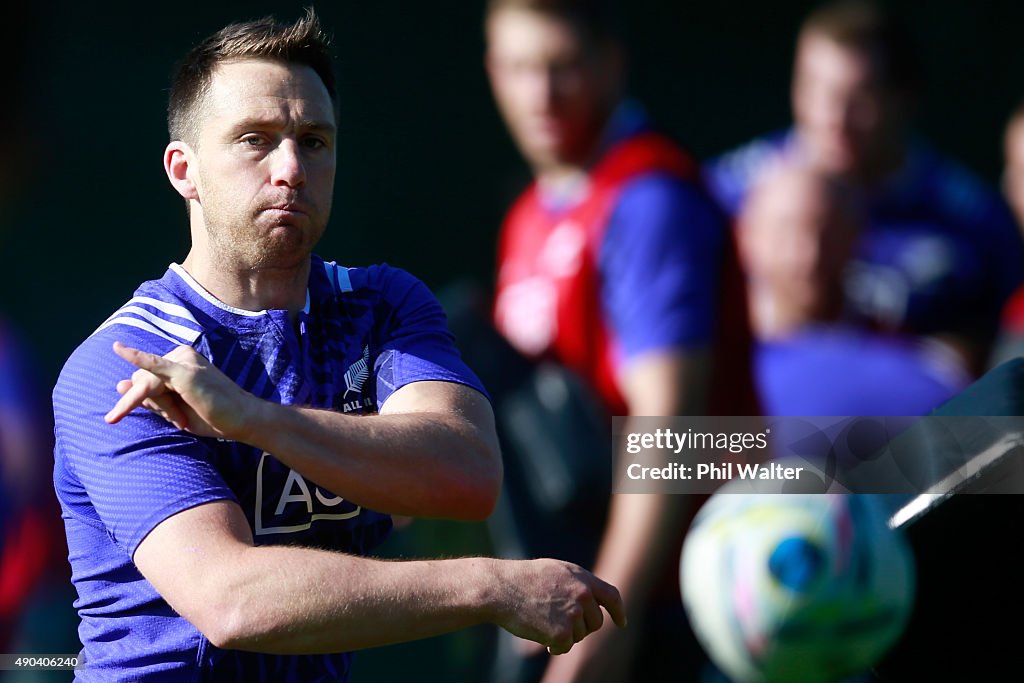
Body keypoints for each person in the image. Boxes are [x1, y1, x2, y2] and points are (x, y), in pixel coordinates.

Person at [50, 10, 625, 682]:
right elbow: (230, 600)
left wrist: (253, 419)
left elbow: (469, 472)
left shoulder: (382, 305)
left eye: (314, 141)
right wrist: (490, 587)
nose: (290, 167)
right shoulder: (124, 361)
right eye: (255, 140)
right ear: (185, 170)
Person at [482, 1, 759, 681]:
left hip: (681, 606)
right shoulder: (531, 214)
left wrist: (608, 619)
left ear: (612, 64)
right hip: (579, 592)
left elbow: (668, 429)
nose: (539, 94)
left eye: (563, 67)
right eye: (519, 68)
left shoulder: (649, 201)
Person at [704, 0, 1024, 380]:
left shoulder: (972, 222)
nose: (833, 117)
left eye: (860, 98)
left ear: (903, 98)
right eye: (817, 90)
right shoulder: (727, 194)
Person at [737, 164, 969, 417]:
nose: (809, 254)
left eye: (829, 232)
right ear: (746, 237)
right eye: (786, 231)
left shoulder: (914, 361)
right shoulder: (711, 358)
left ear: (857, 238)